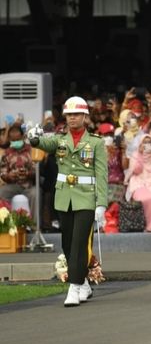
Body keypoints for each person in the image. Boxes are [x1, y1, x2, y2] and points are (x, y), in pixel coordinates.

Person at [28, 96, 108, 307]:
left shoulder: (95, 142)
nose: (72, 118)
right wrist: (33, 138)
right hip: (64, 198)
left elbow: (102, 175)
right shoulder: (60, 139)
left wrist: (101, 204)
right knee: (67, 243)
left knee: (80, 242)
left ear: (85, 117)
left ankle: (74, 286)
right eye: (69, 115)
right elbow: (43, 143)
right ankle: (84, 283)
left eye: (76, 114)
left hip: (86, 198)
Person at [124, 134, 151, 232]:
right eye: (145, 142)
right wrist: (142, 156)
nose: (147, 144)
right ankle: (146, 225)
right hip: (139, 182)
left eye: (150, 143)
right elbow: (136, 170)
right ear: (141, 144)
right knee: (142, 198)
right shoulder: (135, 155)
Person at [0, 125, 36, 216]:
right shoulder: (7, 153)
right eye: (13, 141)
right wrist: (9, 175)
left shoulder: (31, 150)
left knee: (36, 194)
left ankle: (34, 227)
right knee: (2, 192)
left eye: (17, 140)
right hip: (13, 185)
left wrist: (27, 173)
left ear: (23, 136)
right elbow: (3, 173)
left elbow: (37, 171)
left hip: (30, 185)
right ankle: (8, 223)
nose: (15, 142)